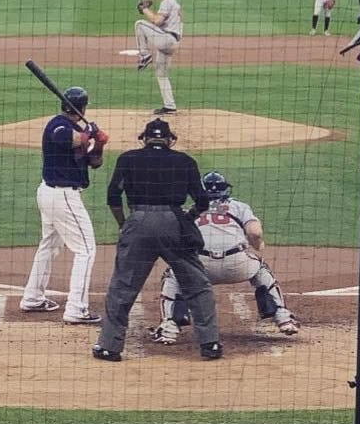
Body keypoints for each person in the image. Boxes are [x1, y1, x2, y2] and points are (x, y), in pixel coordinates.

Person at [94, 117, 221, 362]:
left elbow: (113, 196)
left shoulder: (128, 158)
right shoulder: (185, 161)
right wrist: (186, 218)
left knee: (122, 287)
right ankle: (210, 344)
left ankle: (110, 347)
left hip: (138, 221)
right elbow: (203, 201)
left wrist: (125, 224)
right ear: (170, 140)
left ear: (144, 138)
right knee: (197, 284)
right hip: (174, 222)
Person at [150, 169, 298, 343]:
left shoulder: (189, 210)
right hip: (237, 265)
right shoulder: (239, 206)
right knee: (261, 269)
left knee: (172, 274)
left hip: (200, 267)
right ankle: (283, 319)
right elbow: (255, 233)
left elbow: (171, 239)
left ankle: (168, 329)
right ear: (225, 190)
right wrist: (258, 246)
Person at [19, 85, 108, 324]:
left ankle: (33, 298)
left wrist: (99, 144)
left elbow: (95, 163)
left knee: (49, 246)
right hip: (61, 196)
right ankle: (77, 309)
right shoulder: (58, 126)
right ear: (83, 107)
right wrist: (90, 134)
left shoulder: (79, 128)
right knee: (86, 250)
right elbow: (65, 139)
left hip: (54, 196)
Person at [135, 0, 183, 114]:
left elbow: (156, 21)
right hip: (173, 42)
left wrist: (145, 10)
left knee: (139, 24)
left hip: (167, 39)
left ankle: (144, 55)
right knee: (161, 74)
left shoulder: (167, 2)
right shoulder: (176, 5)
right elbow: (166, 22)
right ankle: (170, 106)